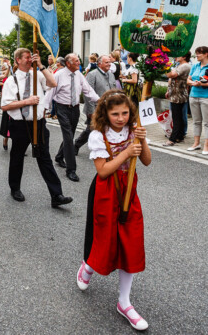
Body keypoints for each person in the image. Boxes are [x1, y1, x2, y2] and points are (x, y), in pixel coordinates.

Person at [77, 90, 151, 331]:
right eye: (115, 114)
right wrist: (127, 152)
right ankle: (88, 265)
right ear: (105, 114)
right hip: (107, 191)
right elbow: (103, 171)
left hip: (130, 191)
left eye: (125, 113)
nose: (121, 118)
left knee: (130, 243)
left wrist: (143, 140)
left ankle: (124, 302)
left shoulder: (133, 130)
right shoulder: (98, 135)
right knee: (105, 240)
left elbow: (147, 161)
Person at [1, 48, 73, 208]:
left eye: (31, 57)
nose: (30, 59)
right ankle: (15, 188)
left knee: (44, 158)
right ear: (18, 60)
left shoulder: (38, 74)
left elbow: (53, 83)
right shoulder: (11, 81)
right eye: (27, 57)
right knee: (17, 157)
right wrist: (26, 101)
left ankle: (56, 195)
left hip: (39, 124)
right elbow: (4, 105)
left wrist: (41, 65)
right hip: (20, 125)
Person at [48, 53, 99, 182]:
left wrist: (101, 100)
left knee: (69, 135)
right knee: (69, 137)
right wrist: (45, 109)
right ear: (68, 63)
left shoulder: (79, 75)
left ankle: (59, 157)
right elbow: (51, 92)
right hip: (62, 108)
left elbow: (88, 91)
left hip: (75, 109)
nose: (79, 63)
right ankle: (71, 170)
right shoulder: (59, 75)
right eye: (76, 61)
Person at [74, 55, 117, 155]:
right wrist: (91, 111)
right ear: (99, 64)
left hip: (109, 109)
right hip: (96, 109)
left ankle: (107, 148)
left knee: (109, 129)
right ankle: (76, 145)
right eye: (107, 62)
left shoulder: (111, 75)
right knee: (91, 129)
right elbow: (87, 94)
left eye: (110, 62)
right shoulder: (92, 75)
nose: (109, 64)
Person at [163, 53, 191, 146]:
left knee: (177, 118)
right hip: (175, 94)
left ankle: (173, 139)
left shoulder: (185, 66)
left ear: (184, 57)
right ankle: (179, 136)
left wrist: (165, 66)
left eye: (179, 55)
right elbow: (171, 79)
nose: (176, 56)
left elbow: (171, 75)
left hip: (179, 95)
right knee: (178, 117)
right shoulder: (179, 65)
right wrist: (168, 90)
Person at [187, 46, 208, 154]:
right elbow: (188, 80)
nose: (197, 55)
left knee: (206, 123)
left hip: (206, 97)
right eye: (196, 53)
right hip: (193, 95)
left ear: (206, 54)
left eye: (199, 53)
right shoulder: (195, 66)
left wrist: (203, 84)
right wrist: (193, 83)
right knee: (196, 121)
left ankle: (206, 145)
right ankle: (196, 143)